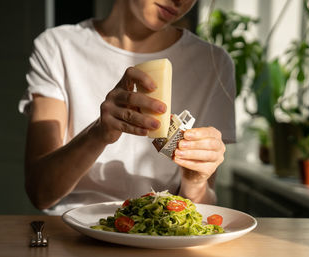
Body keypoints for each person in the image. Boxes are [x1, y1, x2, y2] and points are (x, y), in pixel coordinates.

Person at [19, 0, 236, 215]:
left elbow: (203, 206)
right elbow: (40, 194)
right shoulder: (57, 47)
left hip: (161, 238)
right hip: (72, 235)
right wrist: (98, 133)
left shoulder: (213, 63)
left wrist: (195, 182)